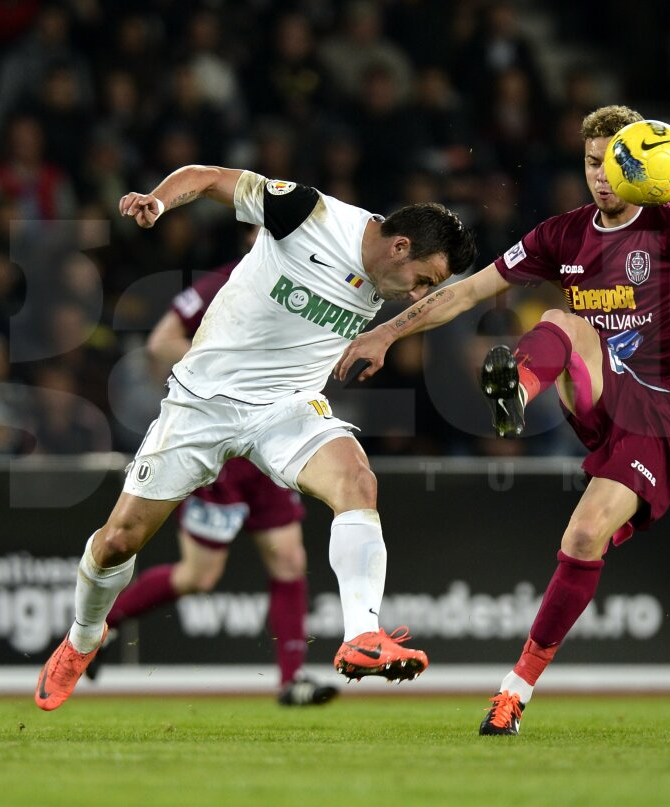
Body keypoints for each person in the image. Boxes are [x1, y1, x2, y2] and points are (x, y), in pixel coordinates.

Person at [335, 105, 670, 735]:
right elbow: (470, 291)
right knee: (560, 323)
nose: (601, 176)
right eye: (590, 163)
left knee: (582, 540)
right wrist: (387, 333)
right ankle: (518, 396)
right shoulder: (564, 235)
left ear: (640, 165)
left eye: (613, 163)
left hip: (669, 420)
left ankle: (513, 692)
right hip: (601, 399)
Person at [34, 165, 476, 711]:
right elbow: (208, 177)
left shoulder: (395, 275)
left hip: (287, 409)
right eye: (424, 278)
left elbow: (453, 300)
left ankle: (363, 634)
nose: (421, 293)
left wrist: (388, 332)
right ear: (399, 246)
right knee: (118, 542)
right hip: (202, 404)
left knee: (357, 480)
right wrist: (159, 201)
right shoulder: (309, 214)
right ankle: (83, 637)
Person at [90, 253, 339, 707]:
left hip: (273, 441)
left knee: (289, 559)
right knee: (198, 576)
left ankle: (292, 680)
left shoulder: (309, 284)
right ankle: (102, 629)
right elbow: (161, 343)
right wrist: (234, 370)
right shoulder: (223, 283)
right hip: (221, 449)